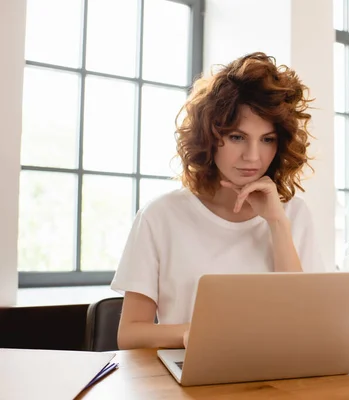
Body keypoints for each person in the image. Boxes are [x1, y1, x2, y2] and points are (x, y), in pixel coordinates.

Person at [111, 52, 324, 350]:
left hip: (277, 377)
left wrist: (277, 223)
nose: (252, 157)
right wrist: (200, 333)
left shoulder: (294, 215)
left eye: (267, 139)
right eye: (237, 137)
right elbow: (130, 334)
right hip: (190, 376)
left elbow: (304, 323)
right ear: (209, 137)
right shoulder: (160, 216)